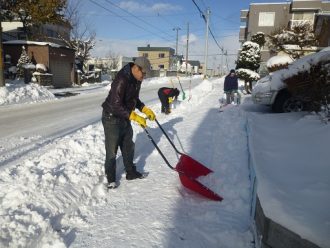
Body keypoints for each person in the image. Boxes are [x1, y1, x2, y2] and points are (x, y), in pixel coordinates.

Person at [101, 57, 156, 189]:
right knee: (112, 151)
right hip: (112, 118)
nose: (145, 76)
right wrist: (134, 116)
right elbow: (115, 104)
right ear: (136, 68)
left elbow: (133, 98)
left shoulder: (136, 79)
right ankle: (111, 179)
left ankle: (130, 172)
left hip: (124, 116)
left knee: (128, 146)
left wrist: (143, 108)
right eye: (144, 73)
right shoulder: (122, 79)